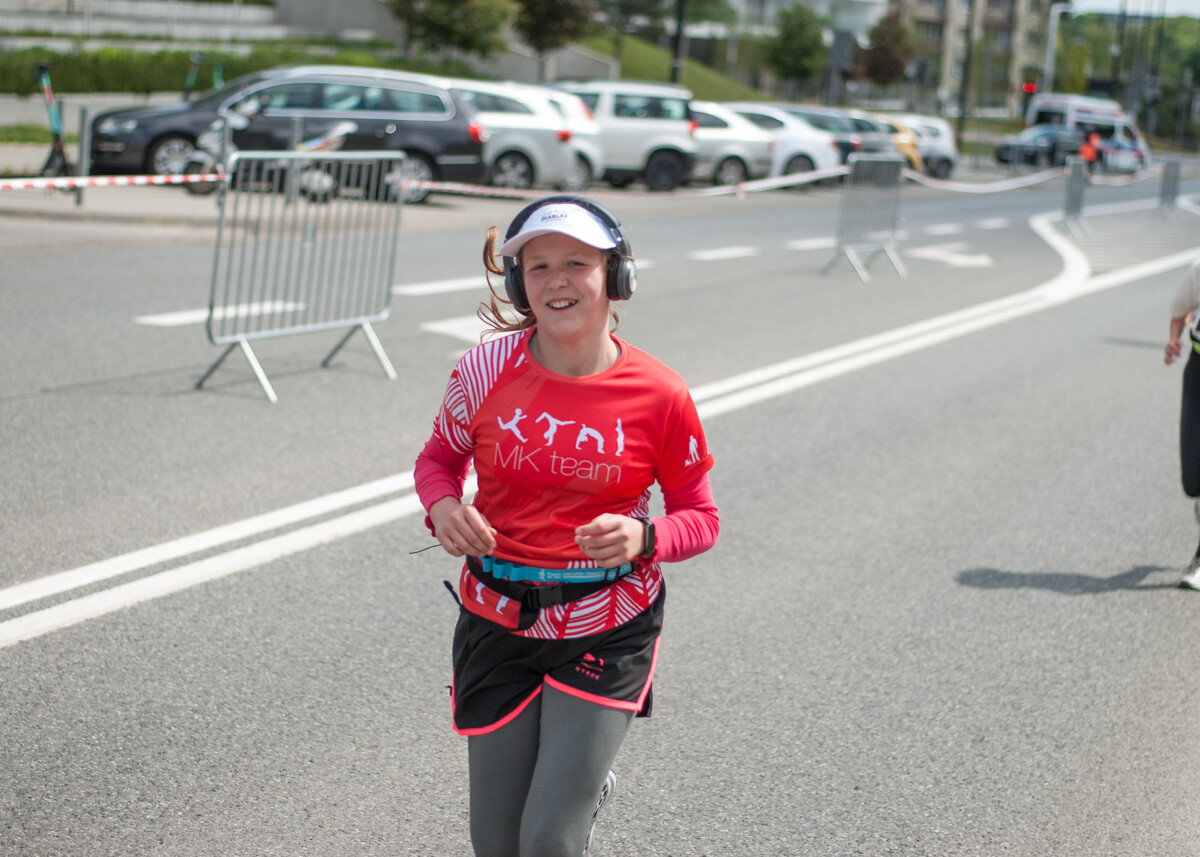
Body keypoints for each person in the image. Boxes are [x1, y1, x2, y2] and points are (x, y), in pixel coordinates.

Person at [414, 195, 720, 856]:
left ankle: (573, 791)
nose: (555, 279)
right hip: (497, 619)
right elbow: (438, 461)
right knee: (498, 844)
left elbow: (701, 516)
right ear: (518, 283)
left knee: (548, 839)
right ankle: (575, 784)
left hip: (606, 620)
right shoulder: (482, 371)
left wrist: (646, 537)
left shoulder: (660, 394)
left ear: (615, 277)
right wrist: (442, 508)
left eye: (576, 262)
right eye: (537, 265)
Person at [1165, 258, 1200, 589]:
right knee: (1193, 480)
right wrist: (1174, 339)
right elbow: (1180, 311)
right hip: (1199, 371)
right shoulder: (1199, 269)